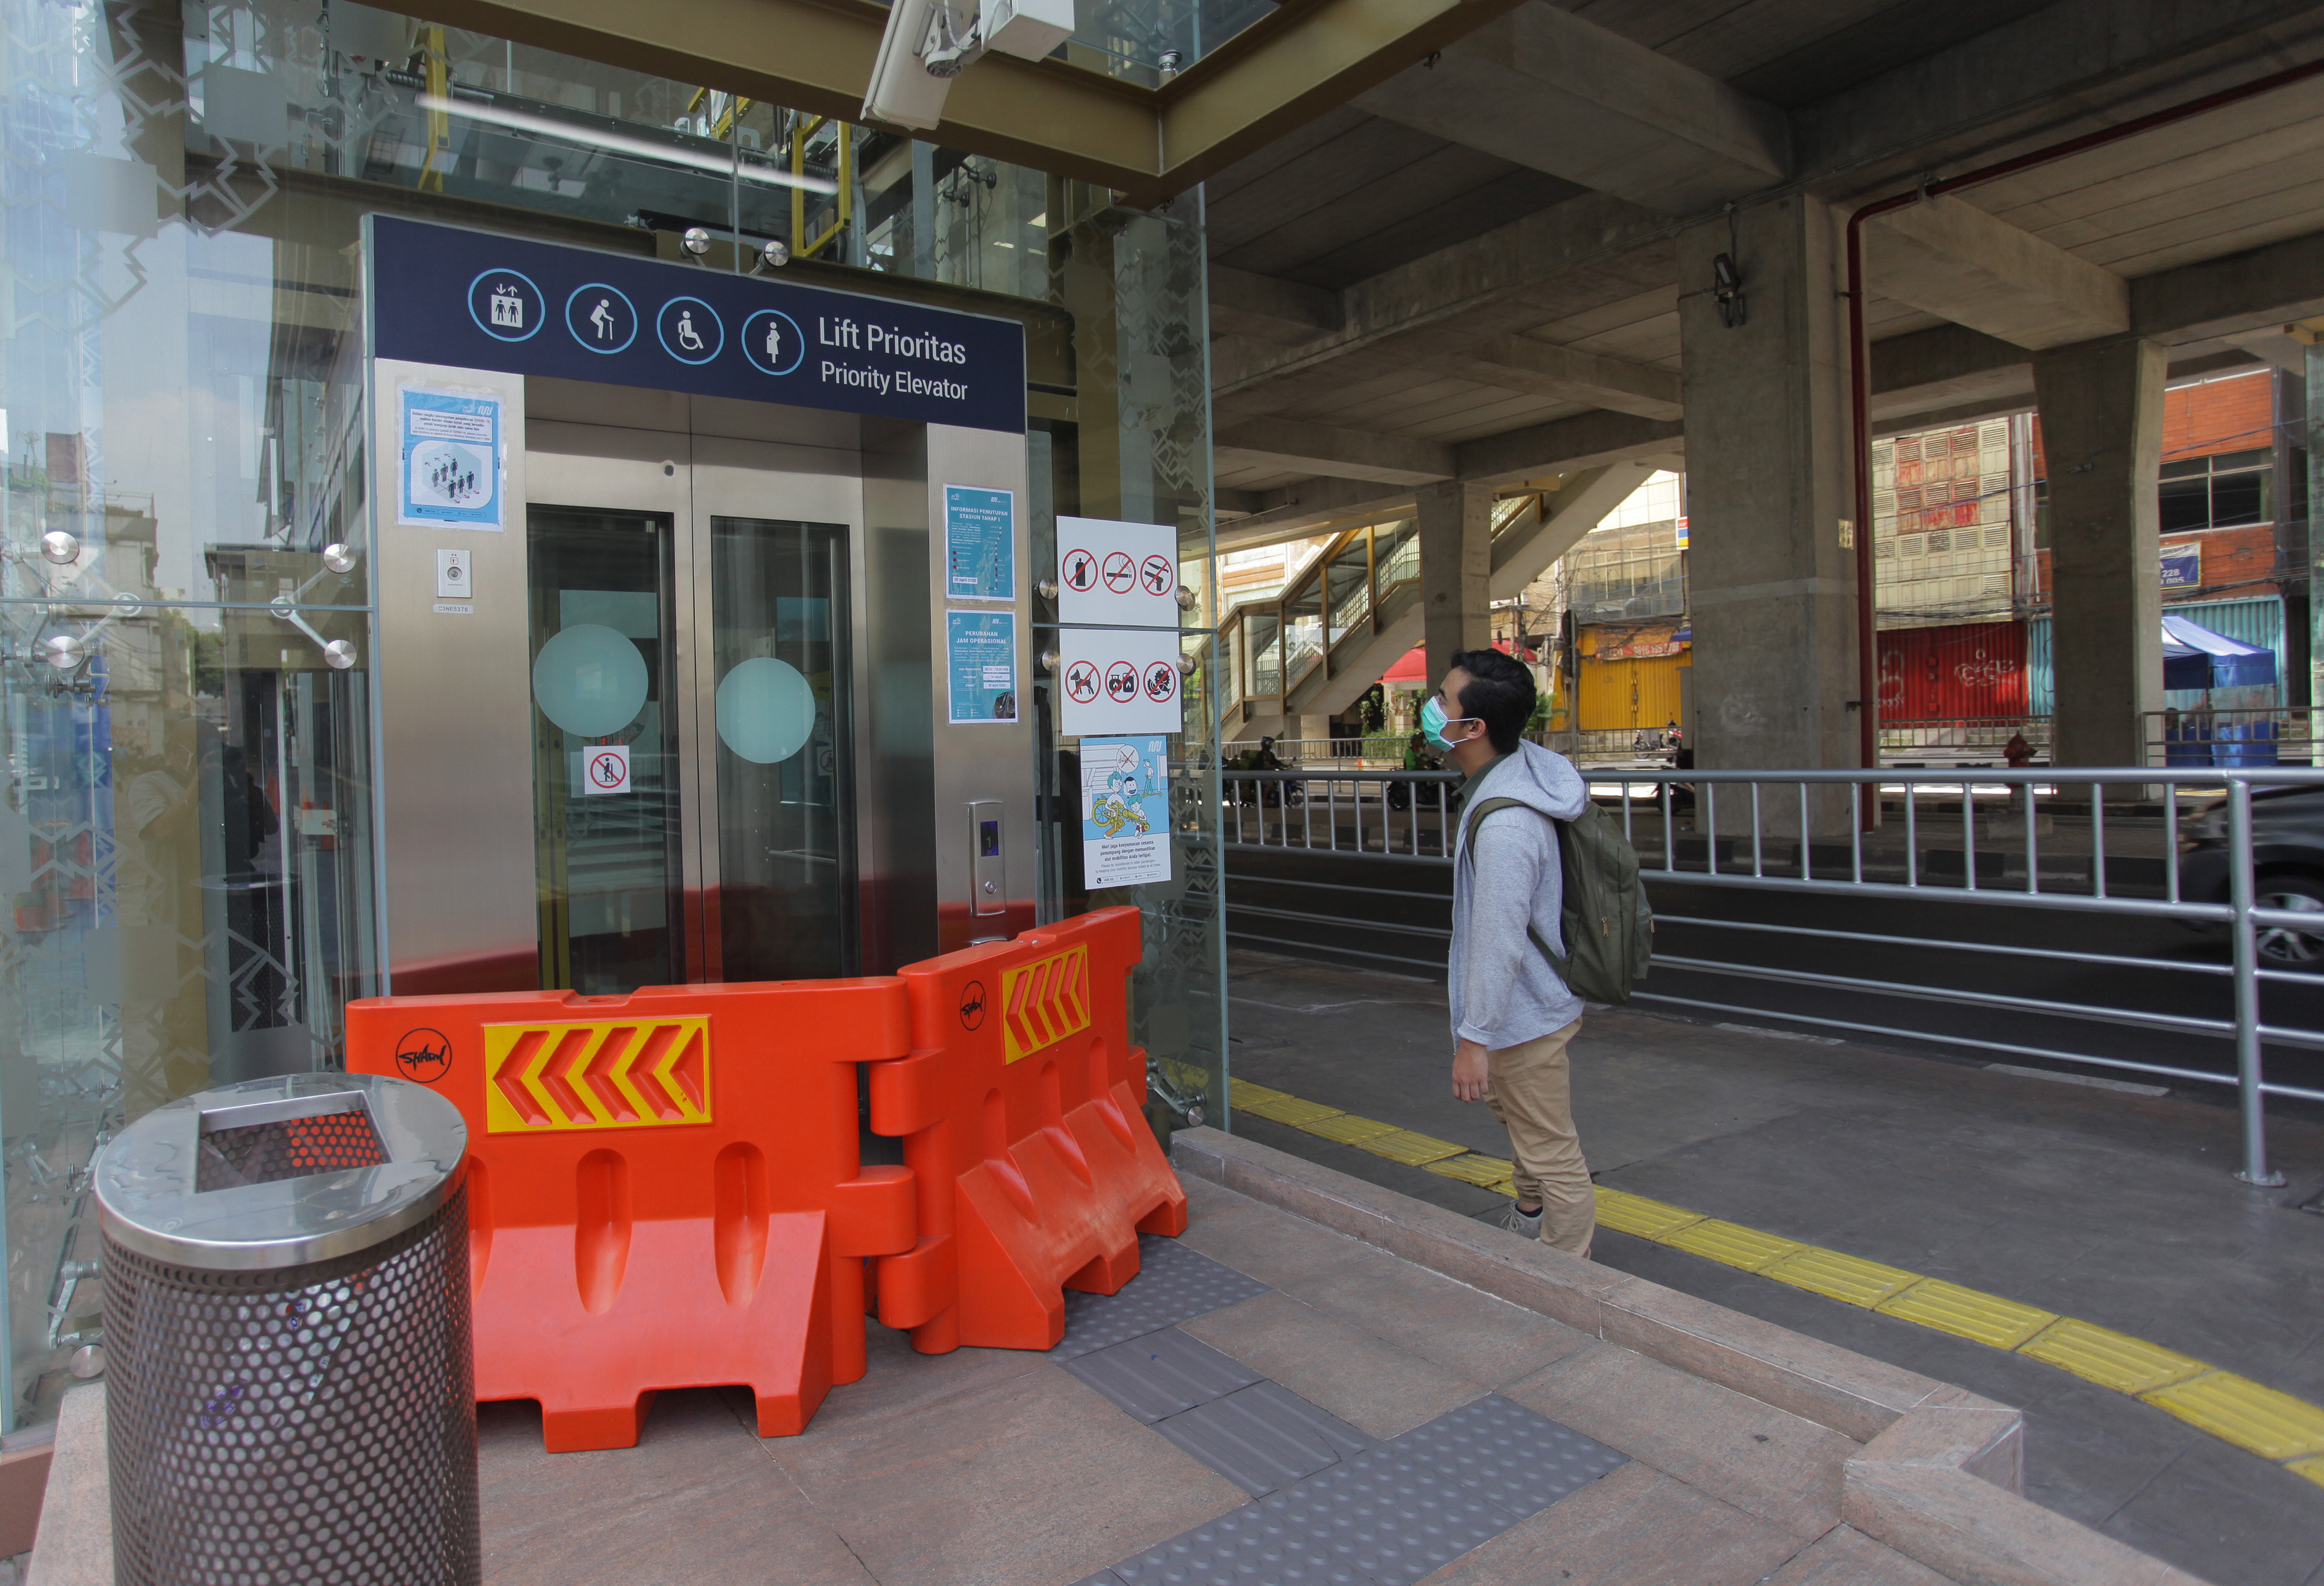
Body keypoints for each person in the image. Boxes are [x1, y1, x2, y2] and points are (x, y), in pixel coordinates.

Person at [1429, 648, 1595, 1257]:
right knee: (1526, 1121)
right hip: (1529, 1008)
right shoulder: (1513, 768)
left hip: (1521, 1017)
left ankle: (1566, 1275)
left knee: (1552, 1148)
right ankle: (1529, 1213)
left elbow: (1498, 943)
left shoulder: (1505, 828)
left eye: (1443, 700)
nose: (1432, 707)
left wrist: (1475, 1041)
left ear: (1473, 729)